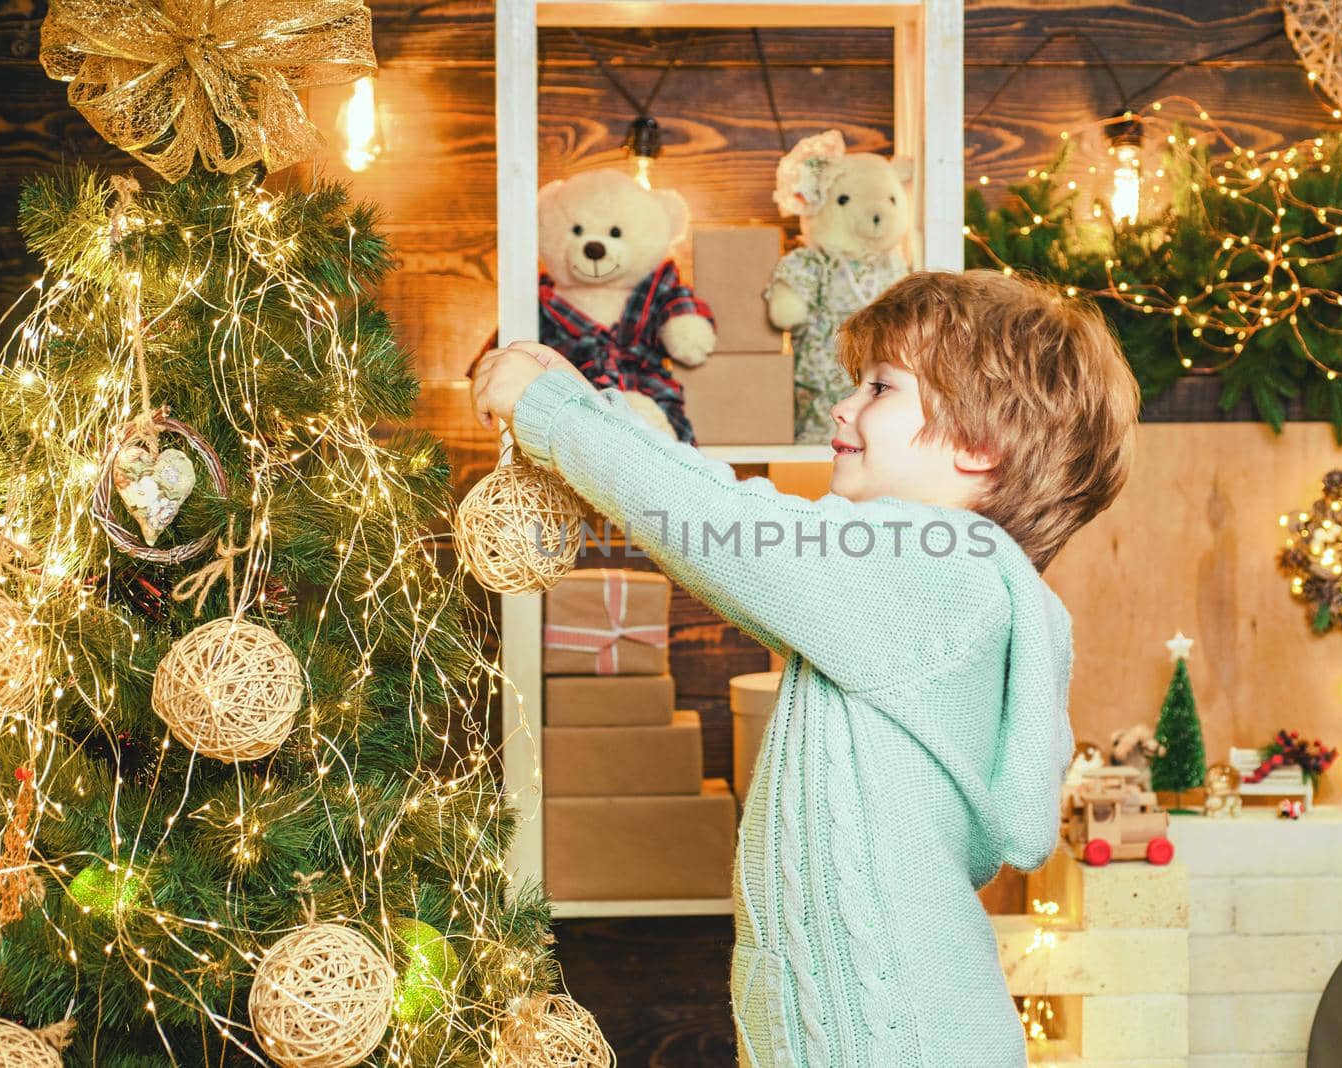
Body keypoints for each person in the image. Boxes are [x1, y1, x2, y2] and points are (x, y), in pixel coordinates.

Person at [470, 269, 1142, 1067]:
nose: (843, 406)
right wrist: (599, 409)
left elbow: (725, 525)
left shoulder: (937, 565)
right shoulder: (908, 588)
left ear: (977, 445)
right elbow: (725, 548)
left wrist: (555, 414)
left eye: (880, 389)